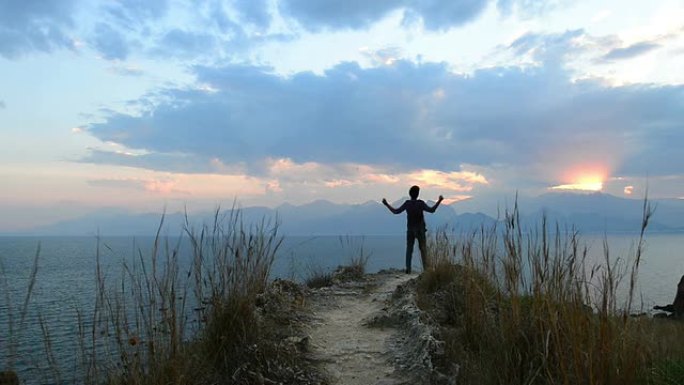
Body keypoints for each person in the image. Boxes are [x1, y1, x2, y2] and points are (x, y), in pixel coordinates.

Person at [382, 185, 444, 274]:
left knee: (409, 250)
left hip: (410, 230)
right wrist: (439, 200)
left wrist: (386, 204)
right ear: (418, 194)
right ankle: (426, 269)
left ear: (410, 194)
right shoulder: (420, 203)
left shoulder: (407, 204)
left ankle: (408, 269)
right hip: (420, 230)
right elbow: (432, 210)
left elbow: (396, 211)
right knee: (423, 250)